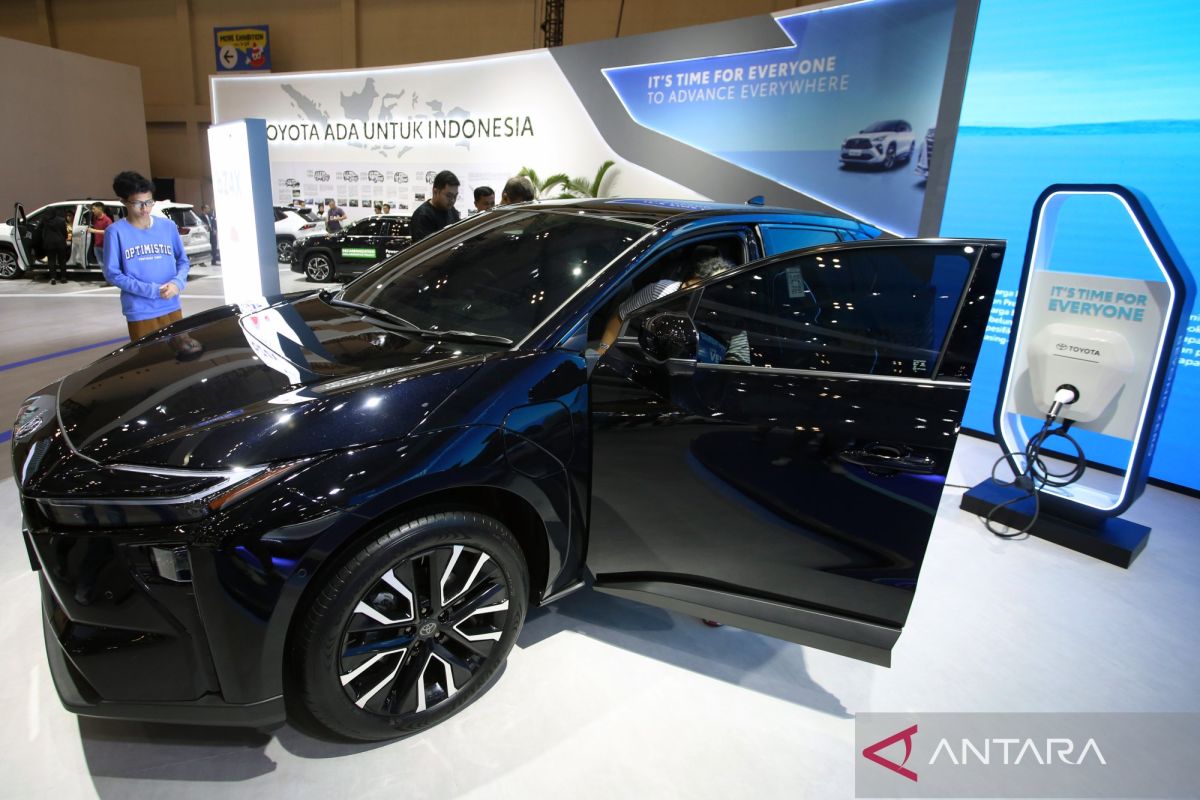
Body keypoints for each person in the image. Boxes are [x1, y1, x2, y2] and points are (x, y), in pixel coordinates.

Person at [102, 170, 191, 341]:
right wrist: (152, 290)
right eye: (138, 203)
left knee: (179, 352)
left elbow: (183, 261)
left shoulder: (168, 226)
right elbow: (112, 273)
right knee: (150, 356)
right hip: (140, 310)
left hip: (171, 304)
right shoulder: (115, 232)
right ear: (123, 202)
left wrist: (177, 283)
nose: (145, 208)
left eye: (149, 202)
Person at [409, 170, 461, 242]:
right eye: (449, 196)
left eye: (455, 196)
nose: (452, 200)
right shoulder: (422, 215)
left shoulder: (451, 210)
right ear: (435, 192)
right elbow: (425, 246)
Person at [40, 207, 71, 285]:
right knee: (62, 260)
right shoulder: (61, 220)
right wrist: (65, 237)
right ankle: (63, 278)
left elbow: (39, 230)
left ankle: (53, 278)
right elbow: (64, 232)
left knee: (51, 261)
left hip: (49, 243)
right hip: (60, 243)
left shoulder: (44, 220)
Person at [87, 202, 113, 268]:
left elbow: (108, 232)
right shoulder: (94, 218)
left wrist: (94, 231)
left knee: (107, 265)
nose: (92, 211)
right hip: (97, 246)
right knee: (101, 265)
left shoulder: (107, 220)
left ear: (100, 209)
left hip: (105, 246)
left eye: (94, 209)